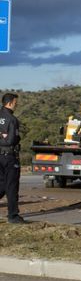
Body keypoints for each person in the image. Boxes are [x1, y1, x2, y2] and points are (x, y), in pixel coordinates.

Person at [0, 93, 25, 224]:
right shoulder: (12, 119)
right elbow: (11, 140)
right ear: (9, 103)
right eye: (16, 103)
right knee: (12, 187)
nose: (17, 105)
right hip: (10, 157)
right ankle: (13, 216)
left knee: (2, 185)